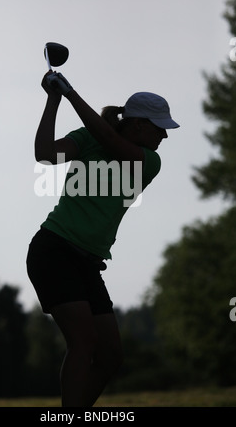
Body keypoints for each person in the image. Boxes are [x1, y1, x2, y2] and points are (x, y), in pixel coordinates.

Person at [26, 71, 179, 407]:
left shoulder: (148, 161)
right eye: (159, 127)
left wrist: (71, 93)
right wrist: (54, 99)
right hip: (53, 250)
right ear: (137, 124)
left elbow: (111, 141)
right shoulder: (87, 138)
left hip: (87, 263)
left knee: (111, 356)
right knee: (83, 342)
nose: (165, 136)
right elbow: (45, 154)